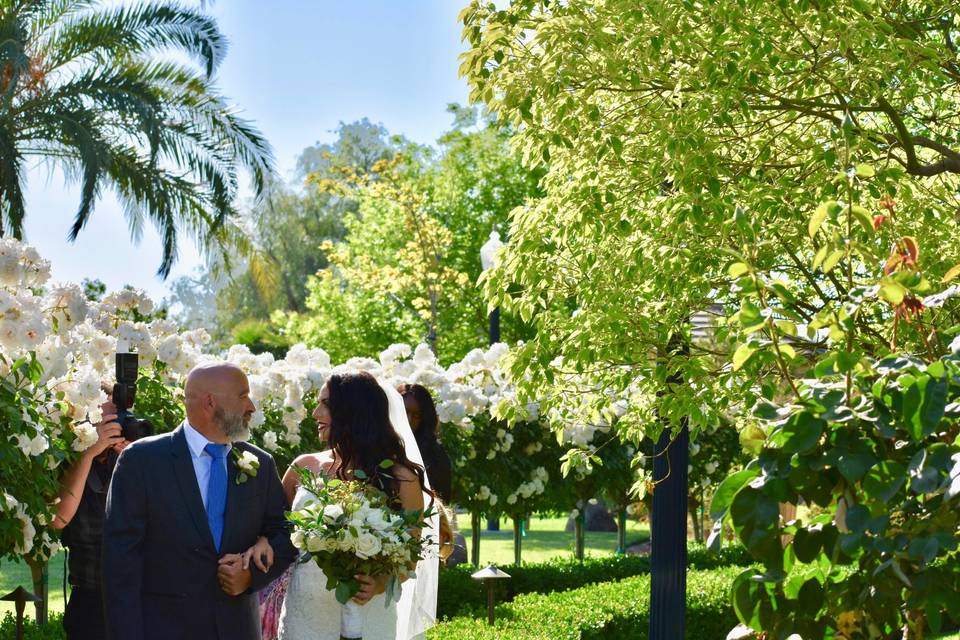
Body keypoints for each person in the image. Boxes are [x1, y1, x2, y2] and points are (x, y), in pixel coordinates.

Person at [102, 362, 297, 640]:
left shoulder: (260, 464)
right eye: (243, 395)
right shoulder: (142, 461)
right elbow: (120, 565)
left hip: (237, 629)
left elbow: (285, 532)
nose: (251, 406)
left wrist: (251, 575)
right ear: (210, 402)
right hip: (164, 630)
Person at [274, 371, 439, 640]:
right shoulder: (303, 467)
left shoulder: (400, 479)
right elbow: (276, 532)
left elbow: (410, 558)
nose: (316, 413)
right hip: (305, 614)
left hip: (369, 614)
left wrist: (379, 584)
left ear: (353, 411)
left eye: (325, 404)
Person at [52, 398, 129, 640]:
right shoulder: (63, 458)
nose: (110, 429)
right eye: (102, 422)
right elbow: (57, 518)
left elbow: (164, 514)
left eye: (115, 422)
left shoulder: (132, 458)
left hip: (137, 592)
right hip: (89, 596)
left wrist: (135, 459)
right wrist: (87, 454)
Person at [396, 384, 452, 505]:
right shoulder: (379, 445)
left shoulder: (435, 456)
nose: (409, 420)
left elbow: (442, 501)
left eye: (416, 416)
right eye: (405, 412)